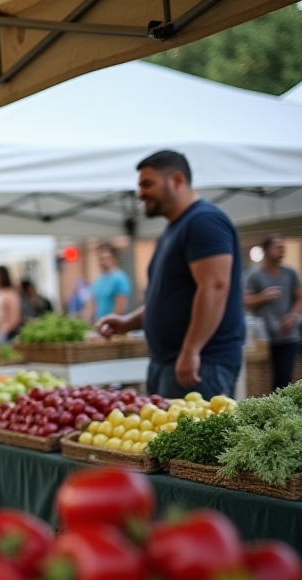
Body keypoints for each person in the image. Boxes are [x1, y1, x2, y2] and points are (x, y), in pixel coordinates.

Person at [98, 150, 245, 398]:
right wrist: (128, 322)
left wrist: (191, 350)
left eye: (147, 184)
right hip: (170, 362)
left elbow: (215, 287)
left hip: (201, 365)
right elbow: (166, 298)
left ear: (177, 180)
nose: (140, 193)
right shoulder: (174, 229)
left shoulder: (204, 221)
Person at [244, 234, 302, 391]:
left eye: (283, 247)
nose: (282, 251)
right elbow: (245, 300)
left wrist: (292, 317)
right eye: (278, 247)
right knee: (263, 379)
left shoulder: (290, 273)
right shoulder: (255, 275)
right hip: (264, 337)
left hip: (288, 334)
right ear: (266, 249)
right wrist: (263, 297)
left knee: (285, 378)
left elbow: (299, 298)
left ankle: (283, 405)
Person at [88, 242, 132, 324]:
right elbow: (93, 303)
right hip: (99, 324)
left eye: (106, 258)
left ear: (115, 259)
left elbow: (121, 306)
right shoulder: (98, 280)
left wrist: (111, 324)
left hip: (113, 326)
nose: (103, 262)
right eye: (100, 258)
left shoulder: (120, 278)